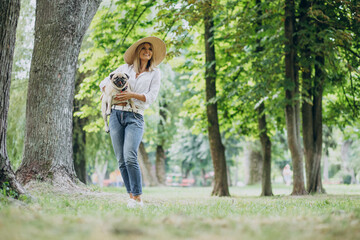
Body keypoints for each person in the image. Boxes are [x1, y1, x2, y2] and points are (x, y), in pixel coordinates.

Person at [99, 36, 166, 208]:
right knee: (121, 159)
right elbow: (104, 83)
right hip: (115, 115)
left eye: (150, 49)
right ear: (138, 52)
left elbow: (151, 97)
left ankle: (138, 197)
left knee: (130, 155)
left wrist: (131, 95)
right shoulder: (124, 68)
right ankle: (130, 197)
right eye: (143, 48)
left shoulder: (155, 73)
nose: (147, 51)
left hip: (135, 116)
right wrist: (108, 92)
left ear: (152, 54)